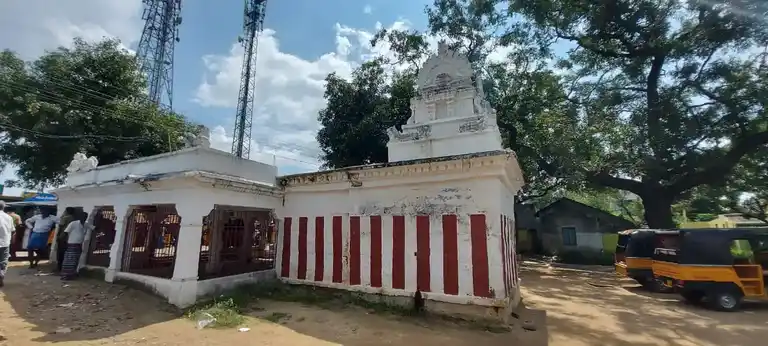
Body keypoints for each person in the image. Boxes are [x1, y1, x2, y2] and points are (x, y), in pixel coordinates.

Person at [61, 211, 90, 280]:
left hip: (79, 244)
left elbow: (94, 228)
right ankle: (65, 275)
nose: (84, 218)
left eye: (86, 216)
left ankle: (71, 274)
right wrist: (64, 242)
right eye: (83, 216)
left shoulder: (86, 224)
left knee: (75, 260)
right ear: (80, 217)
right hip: (71, 243)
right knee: (69, 260)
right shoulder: (73, 223)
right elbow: (65, 232)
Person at [55, 208, 76, 273]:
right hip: (69, 238)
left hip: (62, 236)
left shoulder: (65, 218)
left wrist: (58, 236)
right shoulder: (74, 218)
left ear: (66, 211)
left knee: (60, 253)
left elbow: (60, 227)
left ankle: (59, 268)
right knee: (65, 253)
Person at [0, 202, 16, 287]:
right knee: (3, 261)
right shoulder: (9, 217)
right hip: (5, 242)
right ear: (4, 208)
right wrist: (12, 241)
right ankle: (1, 275)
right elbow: (13, 231)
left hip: (4, 242)